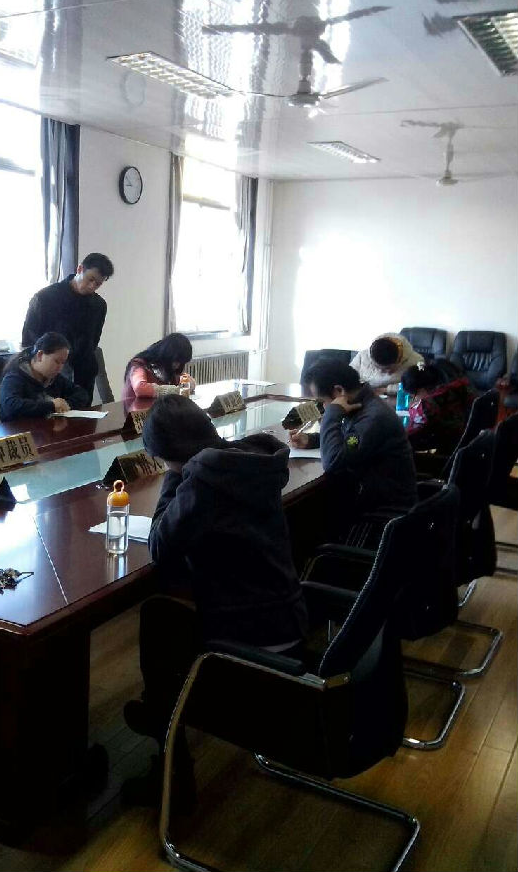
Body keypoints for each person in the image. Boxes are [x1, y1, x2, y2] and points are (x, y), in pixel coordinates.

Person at [122, 394, 308, 805]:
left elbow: (160, 545)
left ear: (164, 452)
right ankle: (158, 714)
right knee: (168, 614)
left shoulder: (205, 480)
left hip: (253, 643)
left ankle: (172, 769)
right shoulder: (245, 462)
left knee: (159, 617)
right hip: (287, 621)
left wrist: (175, 476)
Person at [290, 358, 417, 519]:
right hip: (371, 498)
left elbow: (333, 461)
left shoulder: (374, 417)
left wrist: (332, 412)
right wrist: (311, 440)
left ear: (338, 391)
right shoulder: (364, 404)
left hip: (381, 515)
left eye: (322, 401)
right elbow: (349, 437)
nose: (323, 407)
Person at [21, 253, 114, 403]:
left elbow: (94, 340)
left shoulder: (99, 305)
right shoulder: (45, 298)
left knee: (84, 415)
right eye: (90, 279)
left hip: (84, 374)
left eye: (98, 284)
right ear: (80, 269)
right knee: (53, 414)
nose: (92, 286)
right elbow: (29, 340)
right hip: (50, 375)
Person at [0, 332, 90, 422]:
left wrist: (65, 404)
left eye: (63, 363)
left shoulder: (55, 378)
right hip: (19, 430)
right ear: (40, 355)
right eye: (57, 361)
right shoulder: (14, 377)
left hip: (46, 428)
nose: (60, 368)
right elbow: (11, 406)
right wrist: (51, 406)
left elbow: (82, 394)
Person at [401, 361, 475, 453]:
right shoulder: (455, 388)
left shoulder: (430, 405)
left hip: (450, 450)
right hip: (468, 442)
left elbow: (408, 437)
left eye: (413, 396)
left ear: (421, 390)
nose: (414, 399)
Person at [122, 333, 196, 402]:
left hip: (157, 408)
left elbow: (185, 380)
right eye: (176, 361)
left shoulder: (166, 368)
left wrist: (188, 384)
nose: (178, 366)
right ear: (167, 355)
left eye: (181, 363)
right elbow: (140, 388)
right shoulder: (138, 364)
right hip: (136, 410)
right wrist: (175, 390)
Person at [350, 333, 423, 394]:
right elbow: (349, 378)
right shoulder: (362, 356)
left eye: (388, 368)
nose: (383, 372)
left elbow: (418, 386)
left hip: (395, 401)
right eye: (378, 368)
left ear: (398, 360)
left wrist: (385, 390)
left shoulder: (417, 362)